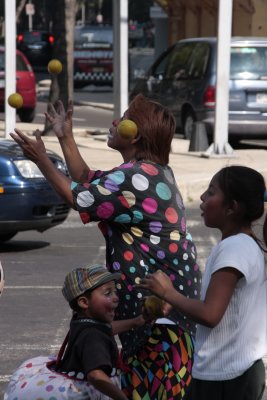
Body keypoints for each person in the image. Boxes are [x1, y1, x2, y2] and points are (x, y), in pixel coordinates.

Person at [10, 94, 202, 399]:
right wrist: (66, 137)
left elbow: (78, 197)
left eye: (123, 117)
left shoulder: (136, 178)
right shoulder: (149, 174)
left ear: (135, 134)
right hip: (164, 325)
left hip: (160, 331)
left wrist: (41, 159)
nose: (114, 122)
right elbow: (87, 181)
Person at [139, 165, 267, 400]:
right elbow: (225, 312)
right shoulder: (243, 244)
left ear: (231, 207)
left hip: (226, 378)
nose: (202, 197)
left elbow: (211, 314)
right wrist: (176, 304)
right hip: (233, 374)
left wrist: (169, 293)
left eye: (211, 192)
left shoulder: (235, 248)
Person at [4, 263, 150, 400]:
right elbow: (95, 375)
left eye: (114, 291)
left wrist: (136, 321)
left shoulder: (82, 321)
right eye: (107, 293)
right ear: (84, 302)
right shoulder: (94, 337)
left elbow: (108, 329)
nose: (116, 298)